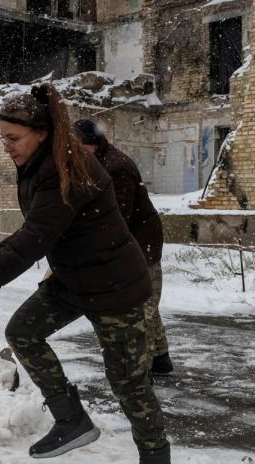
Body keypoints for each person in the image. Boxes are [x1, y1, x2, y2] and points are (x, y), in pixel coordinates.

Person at [0, 85, 171, 463]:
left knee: (128, 383)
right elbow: (40, 226)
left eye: (13, 138)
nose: (6, 146)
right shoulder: (41, 161)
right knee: (23, 331)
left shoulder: (67, 169)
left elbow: (37, 236)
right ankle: (70, 419)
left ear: (41, 133)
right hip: (74, 278)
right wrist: (4, 249)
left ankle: (155, 456)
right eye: (2, 137)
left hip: (115, 285)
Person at [74, 119, 172, 375]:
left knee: (142, 308)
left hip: (141, 244)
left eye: (78, 147)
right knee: (147, 303)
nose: (74, 153)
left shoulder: (116, 167)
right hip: (130, 241)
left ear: (92, 144)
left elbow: (117, 217)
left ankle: (142, 372)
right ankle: (161, 358)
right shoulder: (97, 162)